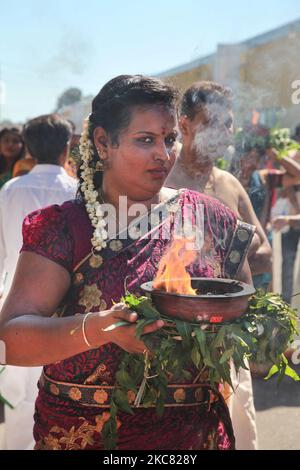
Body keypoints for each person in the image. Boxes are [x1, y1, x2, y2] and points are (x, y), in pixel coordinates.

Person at [0, 75, 254, 451]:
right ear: (103, 142)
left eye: (169, 139)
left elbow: (245, 312)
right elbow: (11, 341)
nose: (164, 154)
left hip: (193, 438)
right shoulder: (65, 227)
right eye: (145, 140)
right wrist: (100, 329)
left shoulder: (209, 217)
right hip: (89, 439)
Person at [165, 80, 260, 450]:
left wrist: (227, 249)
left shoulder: (230, 184)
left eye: (229, 123)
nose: (223, 133)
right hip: (173, 343)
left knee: (240, 429)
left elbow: (263, 249)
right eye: (212, 122)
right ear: (184, 124)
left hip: (229, 338)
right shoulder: (161, 182)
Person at [0, 114, 78, 450]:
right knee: (65, 402)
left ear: (28, 149)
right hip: (68, 310)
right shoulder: (79, 193)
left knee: (19, 405)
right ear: (67, 148)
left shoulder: (10, 191)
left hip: (16, 306)